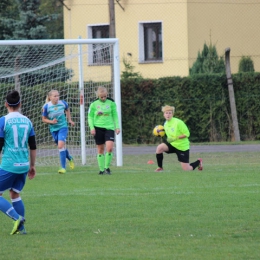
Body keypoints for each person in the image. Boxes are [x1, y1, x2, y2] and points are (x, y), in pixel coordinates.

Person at [0, 90, 36, 235]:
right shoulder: (27, 121)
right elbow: (33, 146)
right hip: (24, 165)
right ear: (20, 104)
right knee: (15, 194)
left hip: (9, 164)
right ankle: (22, 230)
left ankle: (17, 218)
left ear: (5, 104)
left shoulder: (3, 120)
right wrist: (32, 166)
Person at [155, 105, 203, 172]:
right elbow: (167, 133)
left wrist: (175, 138)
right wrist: (159, 133)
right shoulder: (165, 123)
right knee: (159, 148)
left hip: (182, 146)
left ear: (172, 114)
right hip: (172, 144)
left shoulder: (178, 122)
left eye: (169, 113)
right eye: (166, 113)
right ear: (164, 114)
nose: (168, 115)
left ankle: (198, 162)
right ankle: (160, 167)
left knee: (187, 169)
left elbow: (187, 134)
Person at [88, 86, 120, 175]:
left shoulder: (111, 103)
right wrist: (92, 128)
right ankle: (101, 169)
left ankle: (107, 167)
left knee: (109, 148)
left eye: (105, 96)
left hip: (109, 127)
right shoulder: (94, 104)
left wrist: (117, 127)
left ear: (107, 95)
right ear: (98, 96)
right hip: (98, 128)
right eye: (101, 97)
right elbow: (90, 117)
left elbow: (115, 115)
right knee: (100, 149)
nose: (103, 98)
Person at [42, 90, 75, 174]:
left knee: (60, 146)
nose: (57, 97)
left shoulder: (63, 103)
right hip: (53, 129)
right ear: (50, 97)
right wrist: (51, 122)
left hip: (63, 127)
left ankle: (63, 168)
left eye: (58, 96)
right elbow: (44, 119)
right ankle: (70, 158)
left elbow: (67, 110)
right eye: (55, 96)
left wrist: (70, 120)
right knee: (62, 147)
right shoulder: (46, 106)